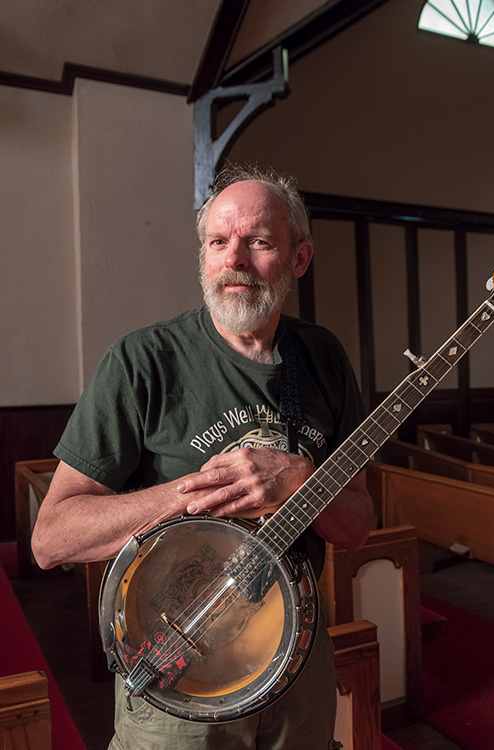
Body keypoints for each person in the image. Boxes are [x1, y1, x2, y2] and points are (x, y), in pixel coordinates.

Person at [32, 164, 373, 750]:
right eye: (218, 241)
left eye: (259, 242)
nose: (234, 259)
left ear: (298, 259)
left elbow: (358, 527)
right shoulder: (142, 361)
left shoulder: (322, 357)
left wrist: (297, 478)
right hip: (178, 668)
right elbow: (51, 539)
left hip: (297, 662)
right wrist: (193, 493)